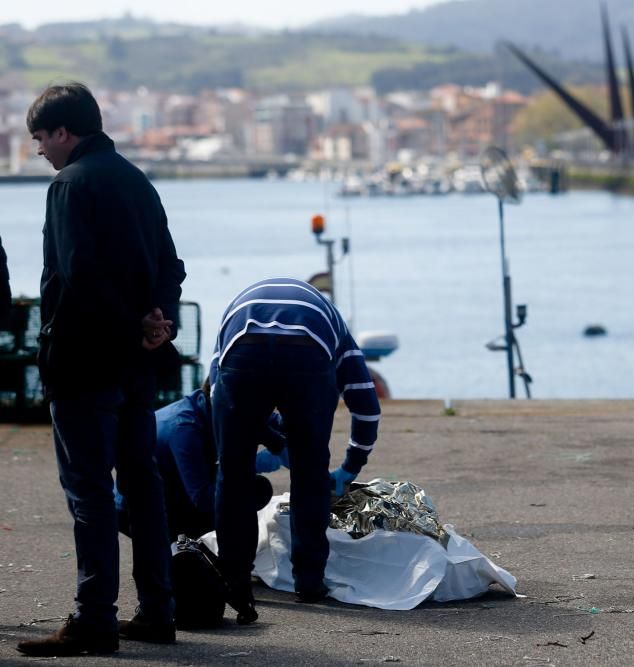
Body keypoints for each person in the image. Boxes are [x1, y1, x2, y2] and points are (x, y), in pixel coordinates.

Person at [17, 83, 186, 657]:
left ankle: (95, 619)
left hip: (85, 362)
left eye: (41, 138)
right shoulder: (137, 180)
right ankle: (158, 611)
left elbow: (79, 277)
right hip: (138, 367)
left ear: (64, 133)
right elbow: (171, 263)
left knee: (89, 492)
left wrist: (134, 324)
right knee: (144, 489)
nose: (39, 149)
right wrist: (157, 322)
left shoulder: (69, 185)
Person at [211, 277, 381, 624]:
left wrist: (247, 449)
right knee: (311, 473)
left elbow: (218, 392)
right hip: (309, 349)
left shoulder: (236, 309)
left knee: (233, 477)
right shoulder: (334, 324)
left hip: (242, 346)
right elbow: (366, 406)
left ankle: (236, 584)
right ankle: (309, 582)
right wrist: (350, 466)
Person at [115, 378, 287, 541]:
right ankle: (184, 551)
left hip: (176, 486)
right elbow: (203, 499)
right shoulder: (185, 430)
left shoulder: (216, 405)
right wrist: (249, 464)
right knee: (254, 490)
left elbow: (277, 422)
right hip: (138, 509)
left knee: (249, 490)